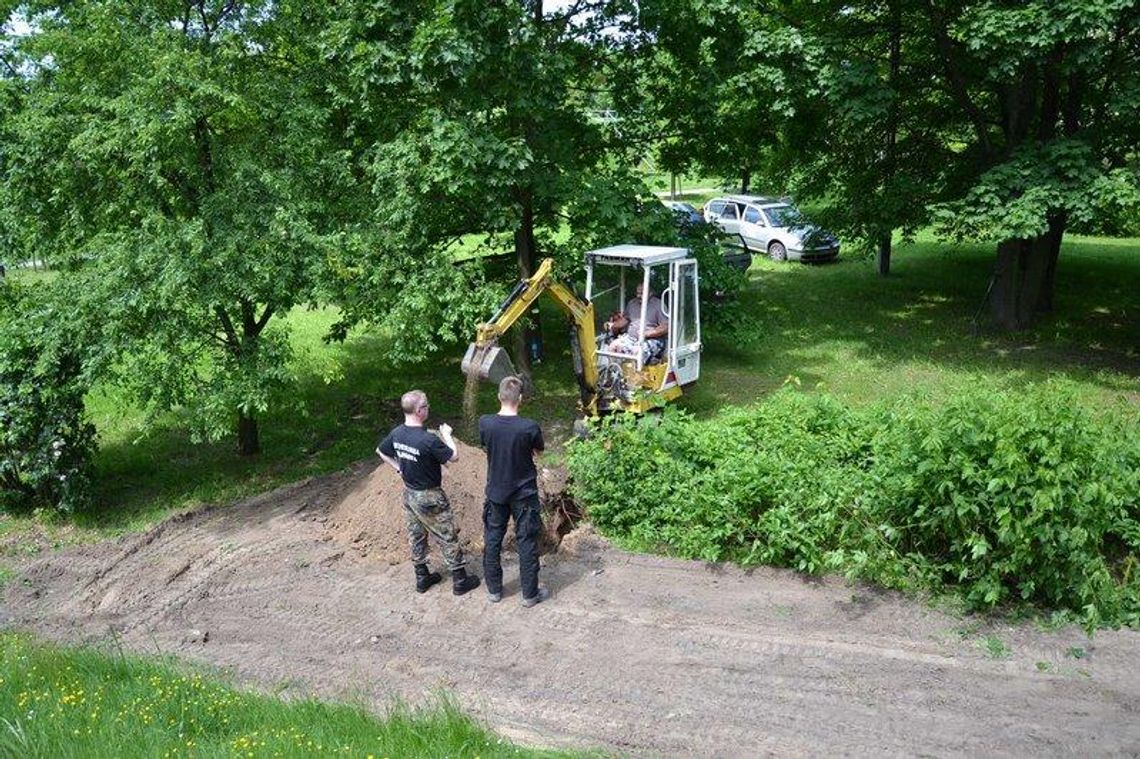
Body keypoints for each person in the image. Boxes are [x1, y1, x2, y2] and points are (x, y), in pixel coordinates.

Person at [377, 390, 481, 596]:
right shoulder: (428, 440)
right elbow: (454, 457)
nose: (428, 408)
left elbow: (380, 451)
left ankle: (422, 577)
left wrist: (399, 468)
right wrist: (447, 436)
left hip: (409, 494)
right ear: (419, 411)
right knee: (446, 535)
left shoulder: (397, 433)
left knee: (416, 535)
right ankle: (460, 579)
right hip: (430, 496)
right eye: (426, 405)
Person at [479, 375, 549, 607]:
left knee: (492, 540)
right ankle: (529, 595)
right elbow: (539, 452)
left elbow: (487, 445)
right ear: (520, 399)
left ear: (499, 396)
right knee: (527, 541)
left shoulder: (485, 423)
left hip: (496, 493)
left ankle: (494, 591)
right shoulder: (529, 427)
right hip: (524, 494)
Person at [604, 282, 668, 362]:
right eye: (637, 293)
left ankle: (635, 374)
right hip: (632, 338)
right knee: (612, 347)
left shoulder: (658, 305)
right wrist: (614, 325)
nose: (638, 296)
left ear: (650, 293)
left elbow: (665, 327)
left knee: (637, 352)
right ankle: (614, 372)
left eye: (641, 293)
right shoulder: (632, 303)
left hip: (652, 339)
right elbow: (625, 320)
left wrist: (647, 333)